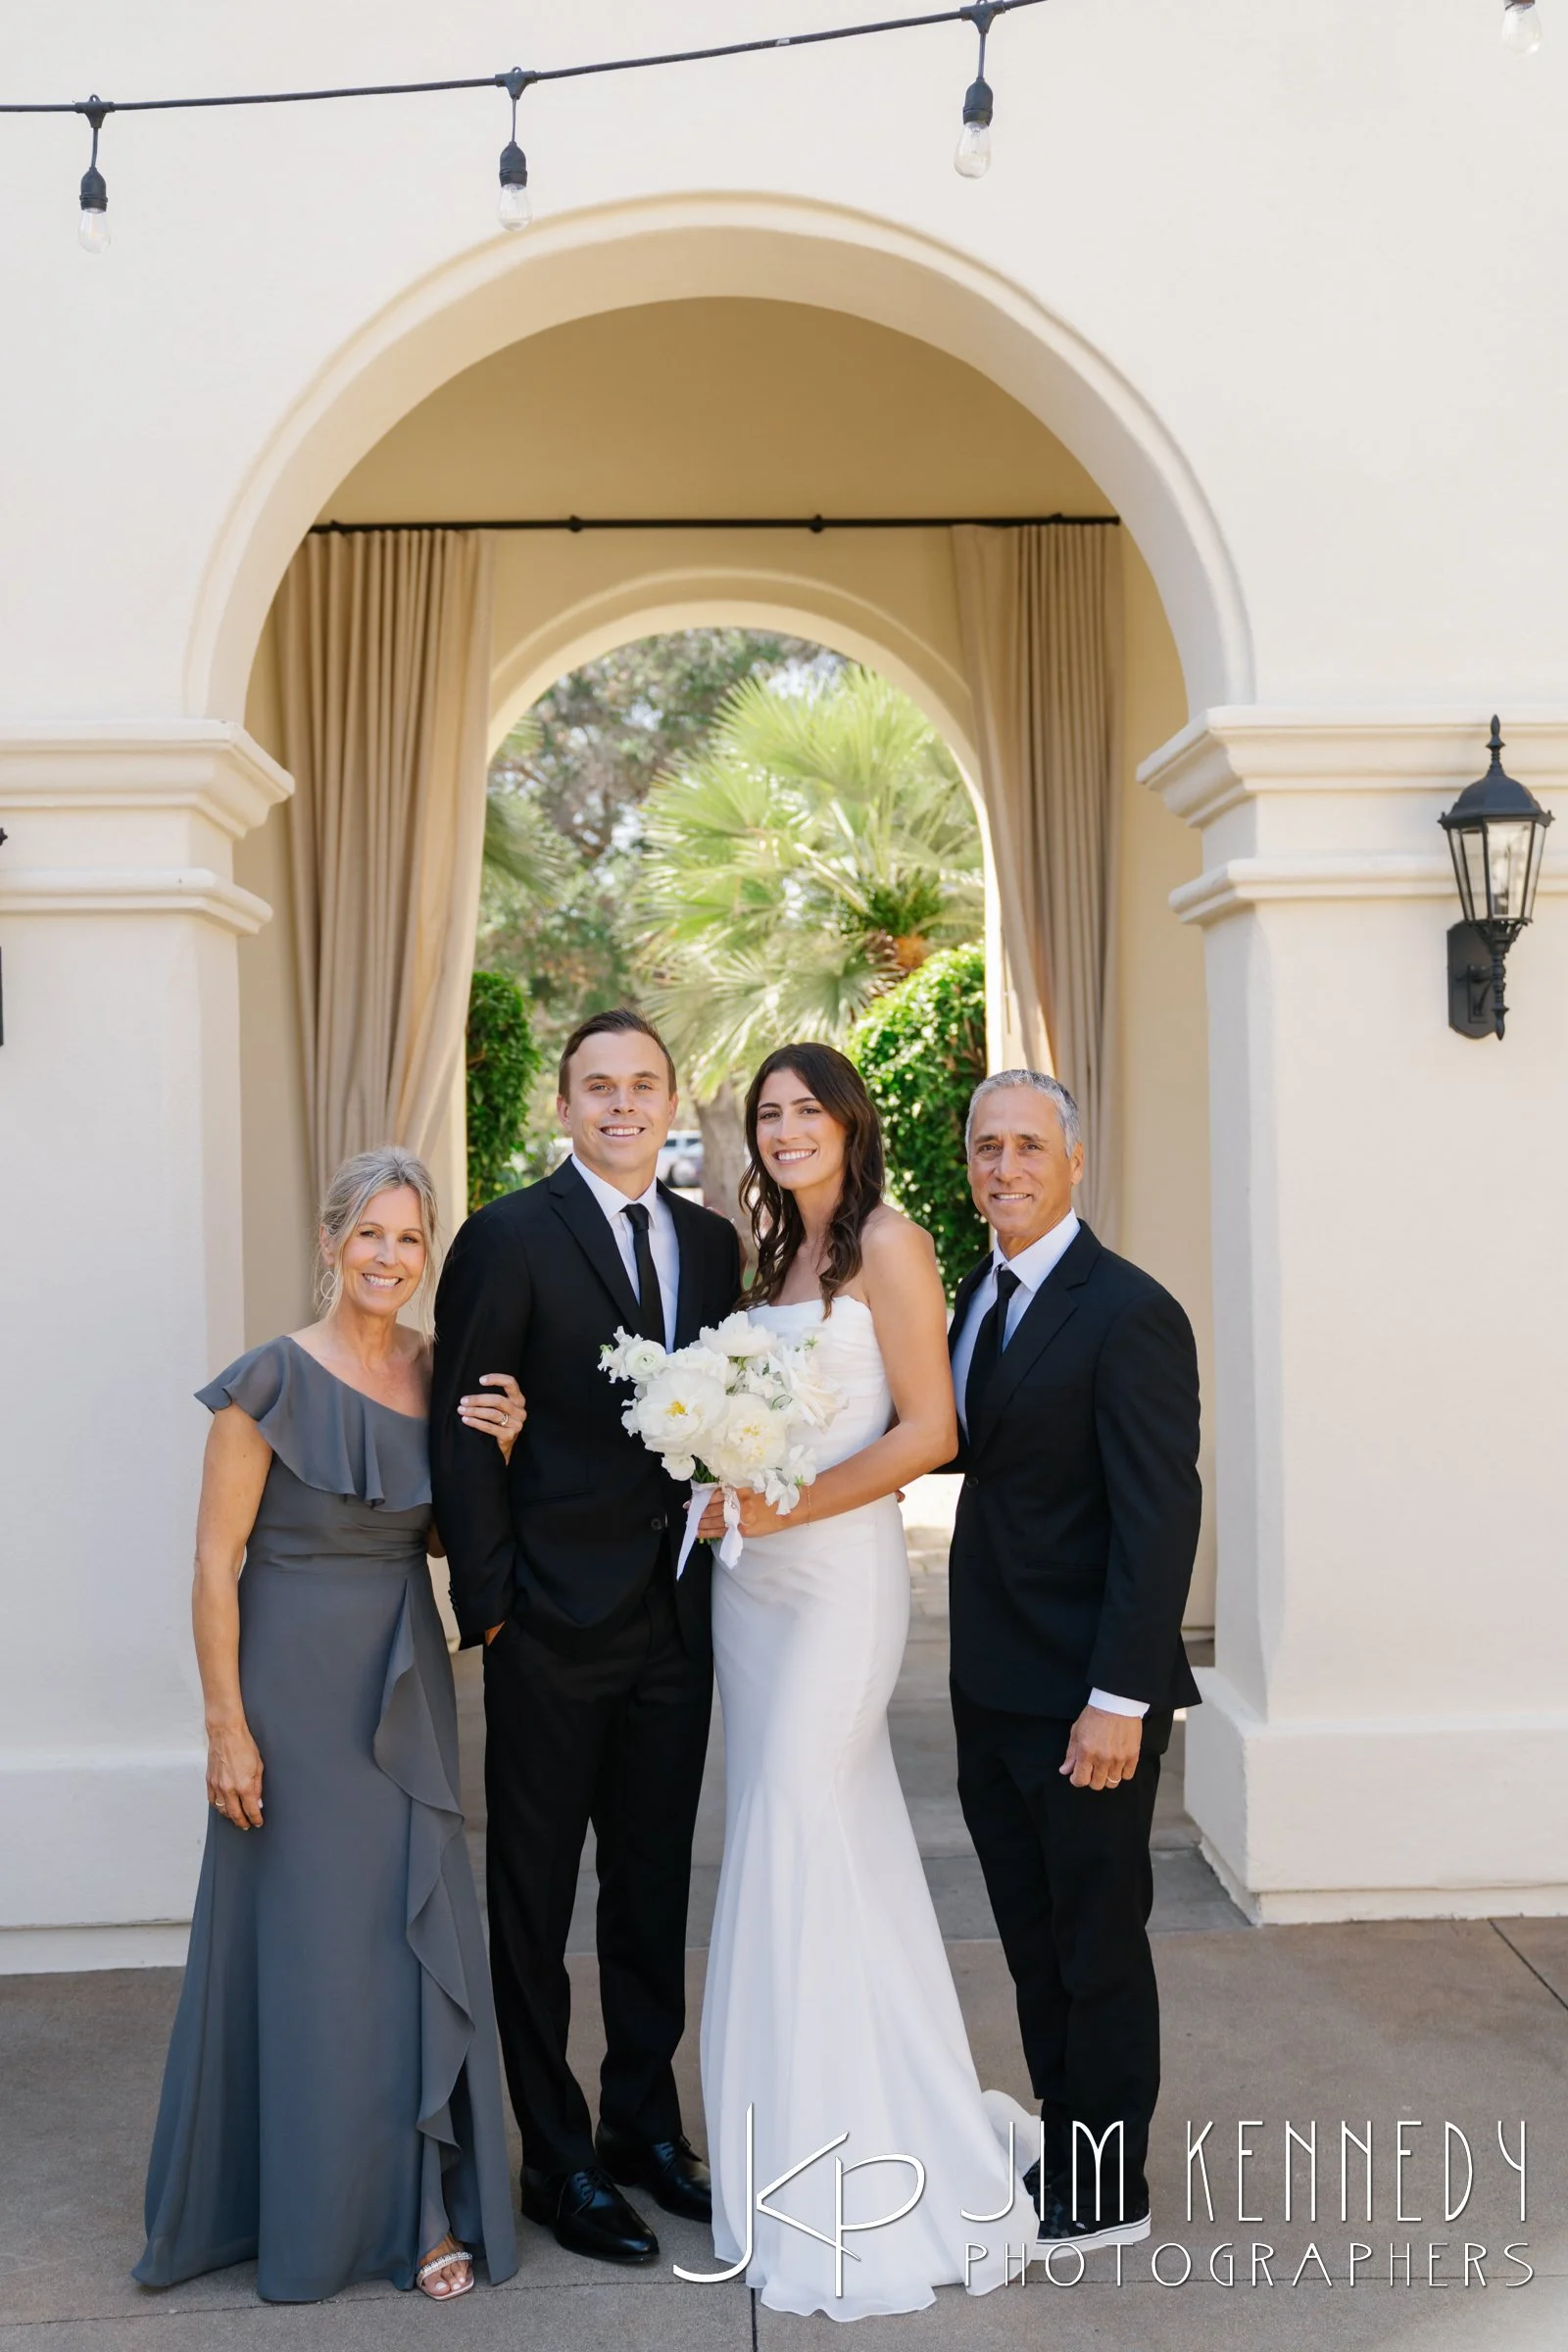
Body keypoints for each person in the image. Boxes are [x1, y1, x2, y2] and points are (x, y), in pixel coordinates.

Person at [135, 1148, 520, 2304]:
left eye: (408, 1239)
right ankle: (302, 2204)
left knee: (406, 1940)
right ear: (329, 1243)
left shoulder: (444, 1372)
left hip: (400, 1678)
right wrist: (226, 1729)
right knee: (313, 1950)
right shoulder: (267, 1381)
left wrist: (496, 1453)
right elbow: (213, 1566)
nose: (388, 1258)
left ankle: (416, 2208)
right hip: (292, 1689)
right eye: (369, 1235)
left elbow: (440, 1533)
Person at [695, 1044, 1028, 2322]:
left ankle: (855, 2164)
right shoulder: (767, 1252)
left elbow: (930, 1431)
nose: (785, 1130)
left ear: (847, 1122)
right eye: (768, 1114)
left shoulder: (891, 1242)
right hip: (751, 1591)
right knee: (806, 1840)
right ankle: (787, 2133)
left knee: (796, 1814)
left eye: (806, 1111)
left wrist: (784, 1509)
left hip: (835, 1581)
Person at [429, 1010, 743, 2267]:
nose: (622, 1103)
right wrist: (495, 1608)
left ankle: (641, 2128)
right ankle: (554, 2159)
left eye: (643, 1084)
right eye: (598, 1086)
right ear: (563, 1107)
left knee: (653, 1890)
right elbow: (464, 1426)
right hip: (549, 1625)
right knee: (534, 1901)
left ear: (670, 1099)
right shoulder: (507, 1236)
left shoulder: (711, 1246)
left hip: (676, 1619)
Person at [945, 1069, 1201, 2250]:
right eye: (987, 1147)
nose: (1005, 1167)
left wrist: (1118, 1700)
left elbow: (1158, 1520)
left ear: (1074, 1161)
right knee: (1032, 1936)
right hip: (990, 1683)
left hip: (1086, 1697)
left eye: (1028, 1147)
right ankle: (1067, 2138)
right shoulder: (977, 1293)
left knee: (1095, 1940)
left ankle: (1108, 2188)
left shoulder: (1128, 1311)